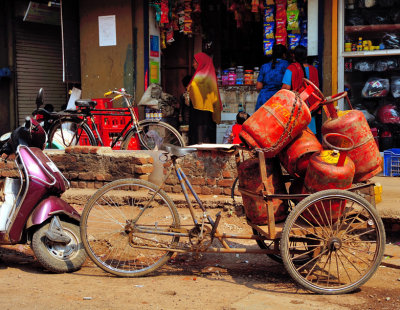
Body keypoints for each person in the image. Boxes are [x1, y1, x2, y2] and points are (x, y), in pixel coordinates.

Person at [282, 45, 320, 135]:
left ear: (294, 56)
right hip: (311, 107)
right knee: (310, 135)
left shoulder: (291, 68)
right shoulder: (314, 69)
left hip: (297, 107)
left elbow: (285, 88)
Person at [187, 52, 222, 144]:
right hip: (208, 109)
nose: (193, 64)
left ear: (201, 63)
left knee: (200, 132)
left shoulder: (201, 75)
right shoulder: (209, 74)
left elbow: (193, 87)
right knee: (207, 133)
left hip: (199, 110)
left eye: (195, 62)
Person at [255, 44, 289, 111]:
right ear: (284, 54)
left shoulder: (265, 66)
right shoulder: (288, 65)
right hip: (280, 99)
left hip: (264, 99)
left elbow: (259, 86)